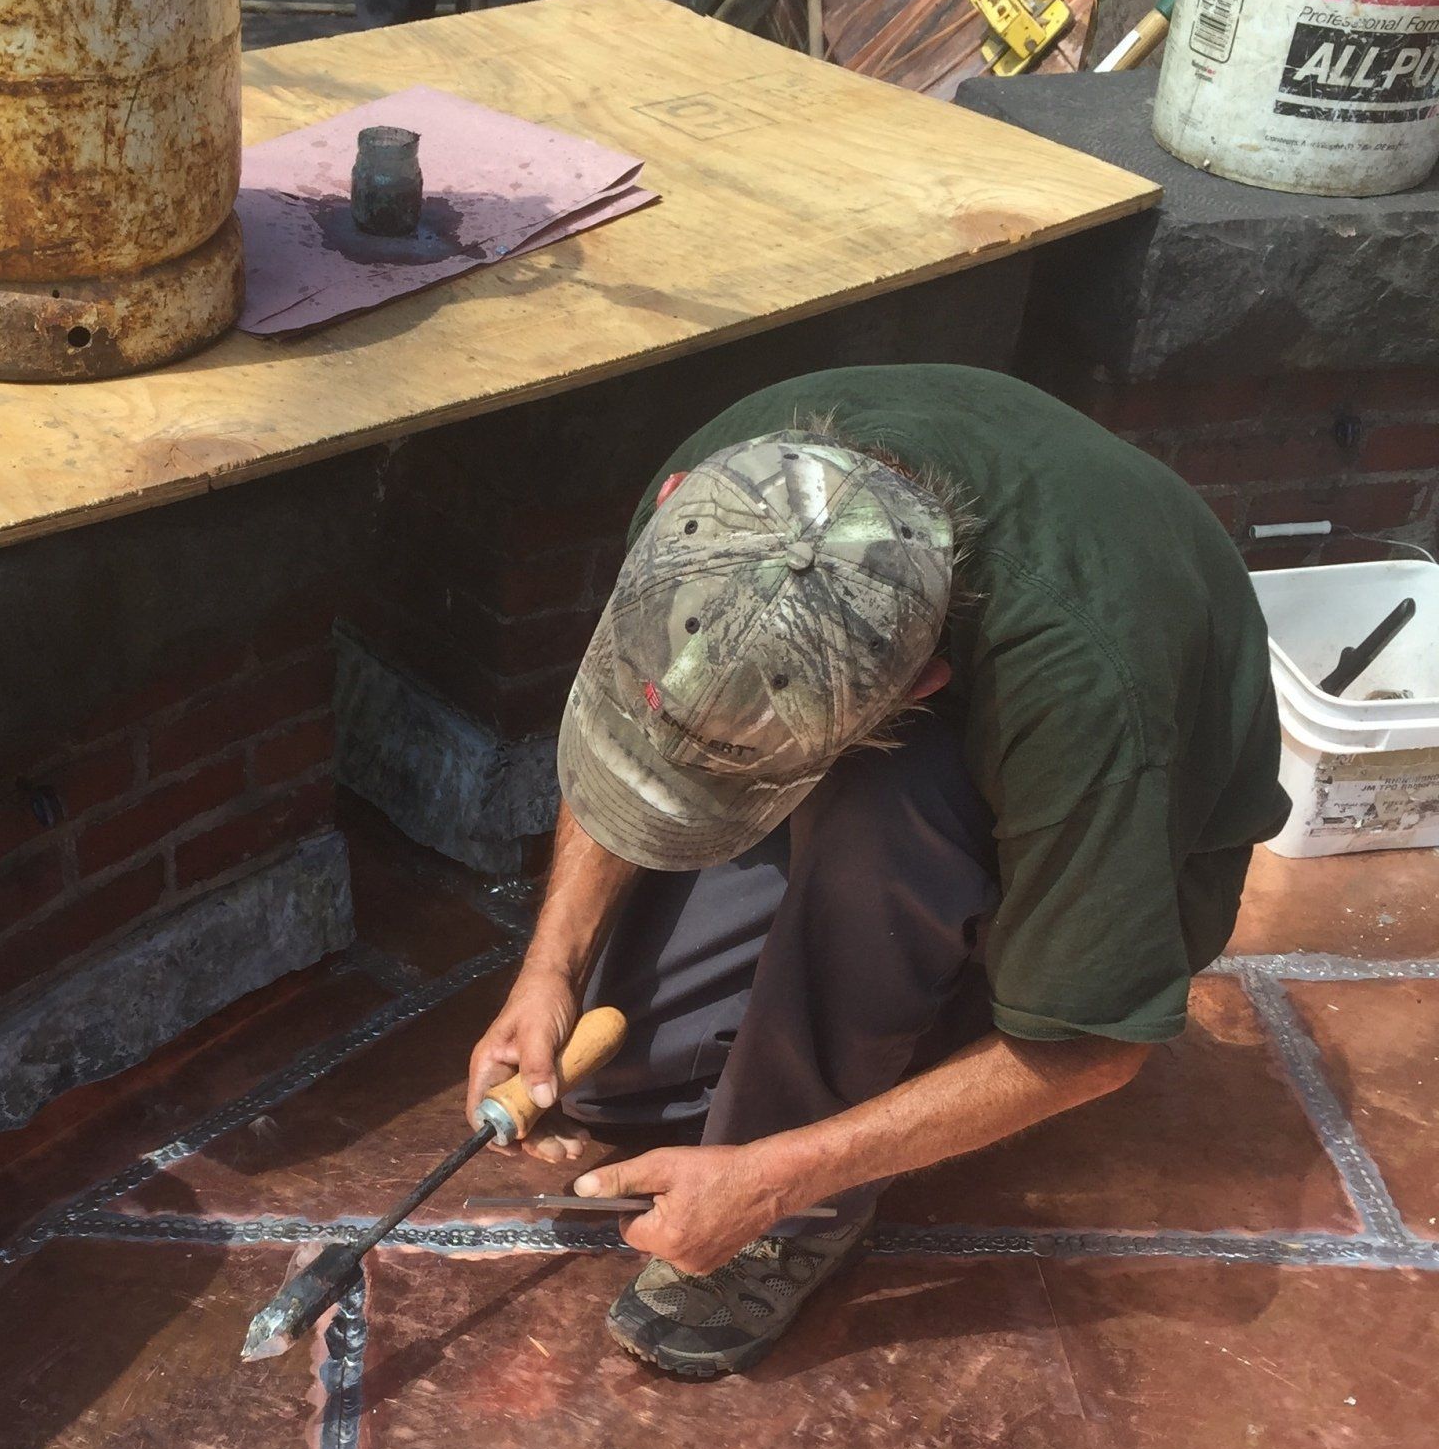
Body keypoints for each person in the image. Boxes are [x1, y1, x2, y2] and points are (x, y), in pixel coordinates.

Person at [465, 363, 1290, 1382]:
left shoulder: (1087, 697)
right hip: (924, 717)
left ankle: (814, 1202)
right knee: (629, 1081)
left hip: (1115, 824)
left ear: (920, 685)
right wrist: (548, 966)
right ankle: (875, 1009)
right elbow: (634, 724)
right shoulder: (726, 494)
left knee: (890, 806)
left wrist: (780, 1178)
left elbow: (1093, 1048)